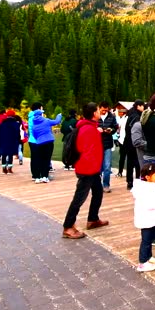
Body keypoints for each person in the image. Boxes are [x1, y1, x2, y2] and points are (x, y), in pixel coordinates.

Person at [62, 102, 109, 239]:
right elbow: (86, 151)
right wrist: (93, 167)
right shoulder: (88, 129)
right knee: (79, 198)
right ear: (94, 113)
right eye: (98, 111)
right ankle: (68, 226)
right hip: (87, 169)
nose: (100, 112)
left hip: (92, 169)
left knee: (98, 193)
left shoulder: (90, 127)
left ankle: (93, 219)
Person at [28, 102, 62, 184]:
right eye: (42, 108)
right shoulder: (43, 119)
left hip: (33, 140)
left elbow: (32, 131)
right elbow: (55, 121)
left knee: (35, 159)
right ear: (39, 109)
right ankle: (43, 176)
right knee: (44, 159)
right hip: (39, 141)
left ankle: (36, 176)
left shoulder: (31, 117)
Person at [122, 100, 144, 189]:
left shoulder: (130, 114)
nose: (143, 108)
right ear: (138, 106)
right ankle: (138, 180)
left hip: (127, 141)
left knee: (130, 163)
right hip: (134, 142)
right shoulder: (137, 116)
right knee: (137, 162)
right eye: (142, 106)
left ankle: (129, 181)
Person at [97, 101, 118, 192]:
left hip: (108, 144)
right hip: (97, 144)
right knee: (98, 166)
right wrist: (97, 129)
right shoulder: (96, 116)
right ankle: (97, 185)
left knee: (107, 166)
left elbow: (115, 127)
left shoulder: (112, 116)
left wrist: (111, 130)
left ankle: (106, 185)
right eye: (103, 110)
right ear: (99, 108)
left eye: (106, 110)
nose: (104, 112)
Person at [0, 110, 21, 174]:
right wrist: (18, 140)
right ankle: (10, 168)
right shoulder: (16, 124)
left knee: (4, 154)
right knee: (10, 155)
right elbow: (18, 133)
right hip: (12, 141)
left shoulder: (2, 123)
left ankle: (4, 167)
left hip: (3, 140)